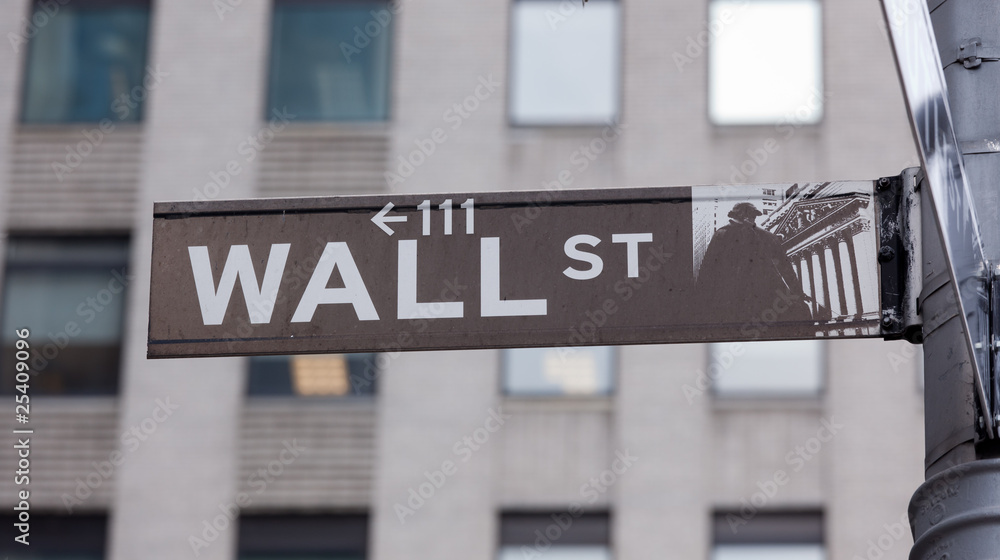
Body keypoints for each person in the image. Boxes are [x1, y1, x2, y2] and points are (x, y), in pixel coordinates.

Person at [696, 202, 812, 325]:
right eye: (751, 215)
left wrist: (797, 292)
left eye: (753, 216)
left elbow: (707, 270)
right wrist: (797, 292)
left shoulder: (724, 234)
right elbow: (786, 267)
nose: (752, 219)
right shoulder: (763, 236)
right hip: (756, 299)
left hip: (742, 299)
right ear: (741, 216)